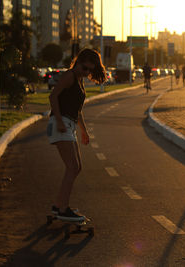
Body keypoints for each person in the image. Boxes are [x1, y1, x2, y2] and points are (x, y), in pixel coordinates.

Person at [47, 48, 107, 221]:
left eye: (89, 70)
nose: (86, 72)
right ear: (77, 62)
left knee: (77, 167)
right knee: (72, 167)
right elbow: (53, 97)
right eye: (84, 67)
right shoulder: (70, 76)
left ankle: (58, 205)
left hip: (70, 124)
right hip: (60, 123)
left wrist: (84, 131)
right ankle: (63, 209)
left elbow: (78, 111)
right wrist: (58, 121)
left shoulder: (79, 80)